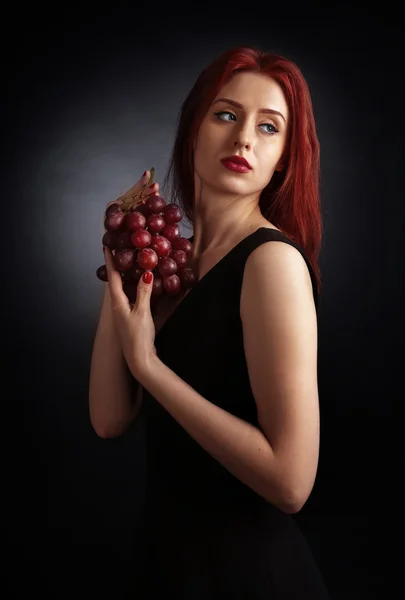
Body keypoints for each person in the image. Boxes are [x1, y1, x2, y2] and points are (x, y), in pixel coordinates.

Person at [89, 44, 331, 598]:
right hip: (166, 569)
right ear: (193, 127)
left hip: (250, 579)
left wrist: (150, 367)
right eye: (227, 114)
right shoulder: (170, 262)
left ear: (284, 159)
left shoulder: (272, 262)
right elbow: (107, 417)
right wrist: (122, 249)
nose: (244, 137)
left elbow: (292, 483)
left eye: (269, 128)